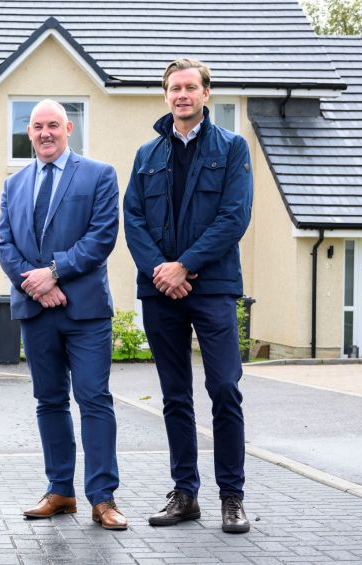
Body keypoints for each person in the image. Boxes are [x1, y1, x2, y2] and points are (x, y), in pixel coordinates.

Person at [123, 59, 253, 533]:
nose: (182, 94)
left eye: (190, 87)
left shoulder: (233, 148)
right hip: (160, 292)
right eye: (174, 88)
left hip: (213, 288)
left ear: (205, 93)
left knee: (224, 390)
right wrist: (162, 272)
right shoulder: (146, 155)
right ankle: (185, 495)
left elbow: (234, 217)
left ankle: (232, 497)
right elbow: (132, 218)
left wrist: (185, 266)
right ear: (165, 95)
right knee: (175, 396)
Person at [0, 99, 126, 530]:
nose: (45, 133)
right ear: (28, 133)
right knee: (49, 402)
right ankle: (60, 491)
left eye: (53, 125)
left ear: (69, 128)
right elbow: (5, 243)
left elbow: (102, 236)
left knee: (93, 399)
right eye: (37, 126)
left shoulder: (99, 174)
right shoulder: (13, 185)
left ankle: (103, 498)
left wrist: (53, 274)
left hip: (86, 313)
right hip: (36, 312)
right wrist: (34, 285)